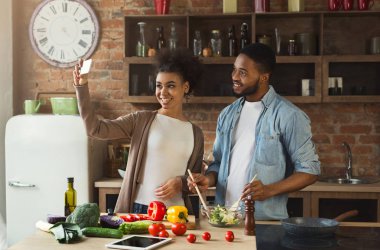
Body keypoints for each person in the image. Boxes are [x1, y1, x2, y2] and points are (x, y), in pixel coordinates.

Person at [188, 43, 320, 220]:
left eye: (243, 73)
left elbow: (310, 171)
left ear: (264, 77)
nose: (234, 77)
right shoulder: (227, 114)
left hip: (263, 221)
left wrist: (269, 190)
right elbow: (218, 163)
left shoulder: (289, 115)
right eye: (234, 69)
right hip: (224, 219)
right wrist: (208, 180)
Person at [73, 48, 204, 214]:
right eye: (159, 86)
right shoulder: (141, 120)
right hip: (140, 210)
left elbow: (195, 181)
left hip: (177, 213)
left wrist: (182, 182)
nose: (163, 92)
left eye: (170, 86)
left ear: (185, 87)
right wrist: (82, 87)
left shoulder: (196, 133)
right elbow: (95, 129)